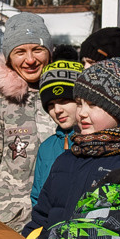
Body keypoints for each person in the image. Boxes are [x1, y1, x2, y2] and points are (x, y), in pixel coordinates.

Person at [29, 55, 120, 232]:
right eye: (79, 104)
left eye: (93, 104)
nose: (82, 113)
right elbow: (40, 220)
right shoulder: (67, 160)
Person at [0, 12, 57, 229]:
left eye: (37, 50)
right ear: (8, 58)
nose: (30, 60)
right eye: (20, 52)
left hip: (59, 222)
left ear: (49, 53)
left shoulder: (68, 99)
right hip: (10, 225)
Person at [30, 46, 83, 207]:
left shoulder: (96, 142)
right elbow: (37, 198)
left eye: (64, 101)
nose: (57, 110)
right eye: (51, 105)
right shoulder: (47, 147)